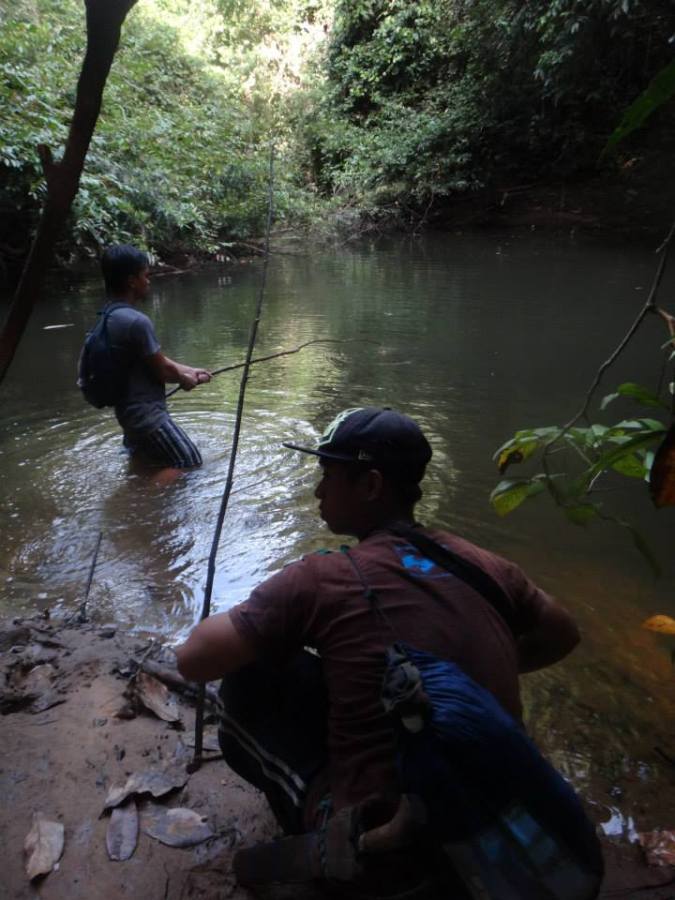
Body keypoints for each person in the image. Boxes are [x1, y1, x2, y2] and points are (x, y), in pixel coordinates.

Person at [176, 406, 582, 895]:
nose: (318, 491)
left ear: (370, 486)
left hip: (392, 859)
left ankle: (327, 831)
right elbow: (564, 633)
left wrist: (274, 620)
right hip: (493, 822)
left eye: (328, 475)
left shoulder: (322, 578)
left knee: (248, 677)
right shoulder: (486, 565)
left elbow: (193, 659)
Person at [99, 244, 211, 469]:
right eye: (145, 276)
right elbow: (162, 370)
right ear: (132, 281)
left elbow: (155, 360)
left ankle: (137, 497)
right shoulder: (137, 322)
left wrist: (188, 371)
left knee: (145, 467)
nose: (148, 282)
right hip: (147, 416)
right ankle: (137, 504)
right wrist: (184, 379)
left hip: (128, 414)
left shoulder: (109, 316)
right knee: (188, 463)